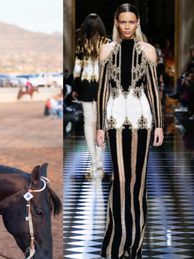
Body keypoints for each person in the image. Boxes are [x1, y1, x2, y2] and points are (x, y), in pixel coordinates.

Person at [96, 4, 163, 258]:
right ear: (116, 22)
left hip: (143, 120)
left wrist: (158, 124)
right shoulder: (106, 51)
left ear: (137, 23)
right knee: (121, 180)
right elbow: (102, 90)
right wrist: (99, 127)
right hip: (114, 120)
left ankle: (134, 245)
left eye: (131, 22)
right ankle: (116, 243)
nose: (127, 26)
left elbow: (154, 90)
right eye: (123, 22)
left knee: (138, 182)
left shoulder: (148, 51)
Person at [72, 13, 110, 177]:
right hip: (104, 86)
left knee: (89, 122)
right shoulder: (107, 43)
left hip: (86, 85)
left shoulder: (81, 42)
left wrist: (75, 87)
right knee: (101, 123)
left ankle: (95, 163)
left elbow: (77, 67)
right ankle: (99, 163)